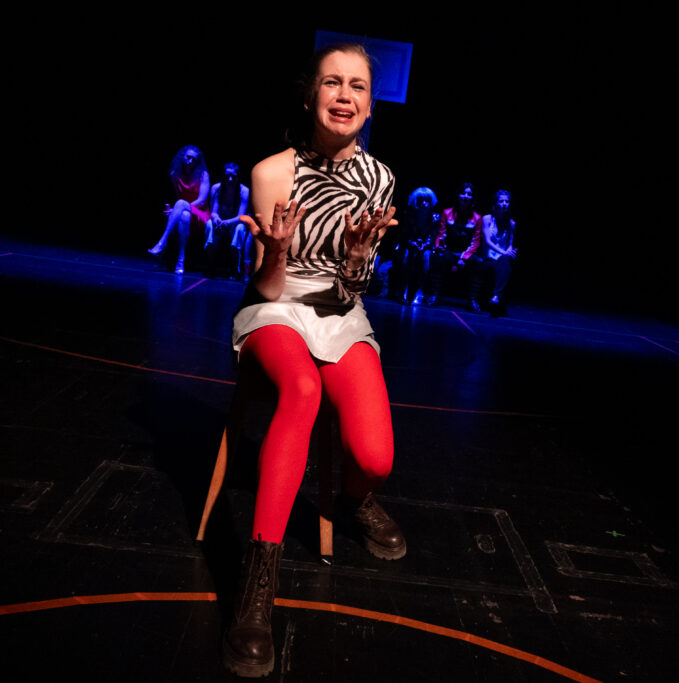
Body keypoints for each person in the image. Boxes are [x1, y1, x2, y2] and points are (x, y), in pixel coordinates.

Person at [222, 43, 403, 678]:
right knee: (301, 390)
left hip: (340, 313)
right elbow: (269, 288)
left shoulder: (379, 180)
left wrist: (354, 261)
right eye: (332, 82)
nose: (344, 95)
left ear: (370, 104)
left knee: (375, 459)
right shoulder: (273, 172)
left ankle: (356, 500)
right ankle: (256, 589)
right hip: (276, 309)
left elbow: (353, 291)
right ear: (311, 96)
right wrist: (275, 251)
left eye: (357, 85)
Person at [148, 145, 211, 274]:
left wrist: (180, 206)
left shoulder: (203, 175)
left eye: (194, 159)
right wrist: (175, 210)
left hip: (200, 213)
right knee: (184, 216)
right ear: (182, 156)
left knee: (181, 204)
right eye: (188, 157)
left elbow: (202, 201)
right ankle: (181, 261)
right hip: (184, 212)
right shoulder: (175, 173)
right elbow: (177, 195)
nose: (191, 161)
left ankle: (162, 242)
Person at [425, 182, 485, 312]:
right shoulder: (447, 213)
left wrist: (463, 257)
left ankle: (473, 300)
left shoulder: (477, 218)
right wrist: (439, 246)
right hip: (450, 251)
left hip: (466, 254)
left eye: (469, 194)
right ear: (458, 195)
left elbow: (476, 242)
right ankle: (434, 295)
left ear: (473, 198)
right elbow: (441, 234)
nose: (466, 196)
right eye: (463, 193)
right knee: (438, 257)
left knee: (479, 262)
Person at [203, 162, 251, 279]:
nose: (230, 179)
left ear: (238, 177)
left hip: (235, 223)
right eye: (227, 176)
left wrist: (227, 223)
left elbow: (241, 216)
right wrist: (217, 219)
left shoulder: (244, 191)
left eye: (233, 176)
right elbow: (213, 212)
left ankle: (235, 269)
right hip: (221, 222)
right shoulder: (216, 188)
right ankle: (211, 265)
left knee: (240, 229)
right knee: (209, 225)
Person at [395, 186, 439, 304]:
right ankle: (403, 289)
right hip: (409, 244)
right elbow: (404, 232)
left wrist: (426, 245)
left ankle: (420, 290)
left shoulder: (435, 217)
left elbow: (434, 234)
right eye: (421, 200)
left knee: (426, 259)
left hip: (426, 246)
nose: (424, 203)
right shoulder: (408, 214)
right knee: (406, 257)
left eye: (427, 200)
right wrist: (411, 242)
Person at [479, 189, 518, 306]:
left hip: (502, 258)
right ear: (496, 203)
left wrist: (510, 251)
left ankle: (496, 295)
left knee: (506, 262)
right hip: (488, 256)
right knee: (497, 263)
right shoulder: (487, 219)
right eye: (501, 201)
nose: (504, 204)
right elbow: (487, 241)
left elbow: (510, 244)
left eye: (507, 201)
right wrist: (504, 252)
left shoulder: (512, 223)